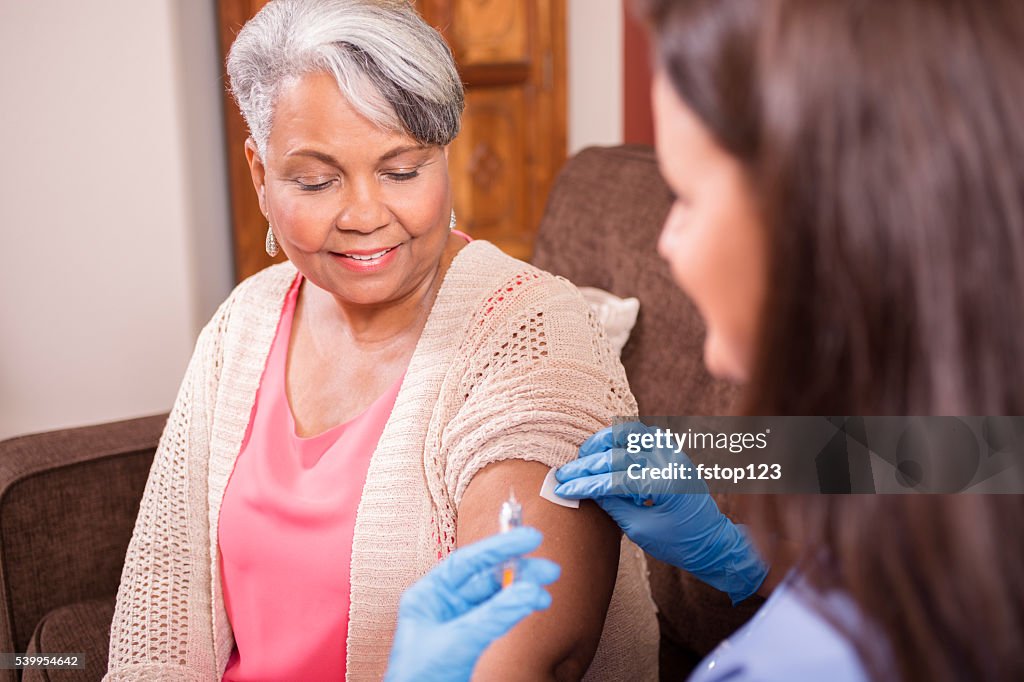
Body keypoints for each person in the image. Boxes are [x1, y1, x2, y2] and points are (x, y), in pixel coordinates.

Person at [384, 0, 1024, 680]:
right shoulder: (963, 446)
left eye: (683, 196)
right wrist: (740, 555)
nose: (665, 242)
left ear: (828, 225)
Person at [104, 1, 660, 679]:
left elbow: (519, 648)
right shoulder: (243, 323)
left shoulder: (530, 335)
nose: (365, 215)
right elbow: (161, 608)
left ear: (444, 160)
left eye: (401, 171)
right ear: (261, 176)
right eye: (316, 180)